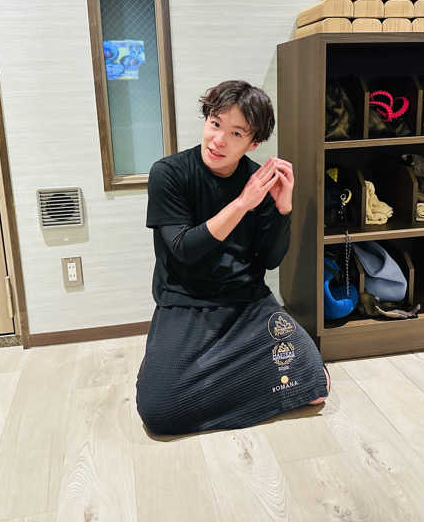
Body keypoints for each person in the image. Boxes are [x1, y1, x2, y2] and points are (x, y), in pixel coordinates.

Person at [136, 80, 330, 435]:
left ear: (253, 143)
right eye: (215, 123)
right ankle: (215, 372)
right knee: (158, 411)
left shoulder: (259, 181)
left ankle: (209, 375)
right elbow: (183, 249)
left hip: (247, 301)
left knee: (316, 387)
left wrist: (283, 209)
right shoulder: (169, 174)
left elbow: (271, 259)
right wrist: (242, 203)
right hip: (185, 300)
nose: (218, 140)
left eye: (236, 133)